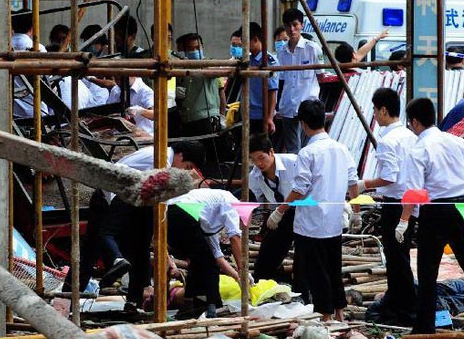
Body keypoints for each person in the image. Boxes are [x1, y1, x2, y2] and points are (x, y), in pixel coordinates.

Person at [267, 99, 360, 322]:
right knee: (333, 268)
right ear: (324, 120)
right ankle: (339, 312)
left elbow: (300, 188)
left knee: (316, 271)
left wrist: (280, 210)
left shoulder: (307, 153)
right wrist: (356, 211)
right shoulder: (341, 148)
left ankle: (326, 316)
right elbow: (353, 182)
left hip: (311, 224)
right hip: (335, 222)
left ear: (303, 124)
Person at [91, 142, 206, 306]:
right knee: (109, 237)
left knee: (139, 250)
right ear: (180, 156)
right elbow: (117, 174)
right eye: (186, 166)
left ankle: (133, 302)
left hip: (138, 200)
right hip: (123, 195)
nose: (183, 171)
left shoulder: (165, 161)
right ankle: (120, 266)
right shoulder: (162, 158)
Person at [398, 98, 464, 334]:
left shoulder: (419, 149)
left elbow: (414, 190)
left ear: (415, 122)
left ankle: (424, 327)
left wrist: (403, 221)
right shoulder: (457, 142)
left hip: (436, 209)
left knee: (428, 269)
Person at [354, 88, 418, 324]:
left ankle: (404, 309)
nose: (374, 115)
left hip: (395, 204)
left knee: (396, 258)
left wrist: (364, 184)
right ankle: (400, 303)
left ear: (383, 110)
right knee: (400, 256)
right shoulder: (410, 136)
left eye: (375, 110)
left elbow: (389, 176)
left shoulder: (388, 140)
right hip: (410, 203)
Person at [167, 188, 244, 319]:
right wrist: (243, 268)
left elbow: (217, 255)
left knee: (198, 261)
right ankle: (213, 307)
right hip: (182, 211)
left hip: (171, 216)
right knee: (210, 266)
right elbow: (235, 237)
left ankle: (188, 305)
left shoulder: (209, 218)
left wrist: (238, 277)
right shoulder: (232, 204)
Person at [248, 134, 307, 299]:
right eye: (254, 160)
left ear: (272, 152)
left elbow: (303, 190)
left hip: (305, 210)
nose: (259, 163)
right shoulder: (254, 176)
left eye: (262, 157)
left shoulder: (293, 162)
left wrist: (280, 211)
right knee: (265, 259)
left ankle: (302, 293)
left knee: (303, 258)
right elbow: (256, 200)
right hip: (280, 214)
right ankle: (266, 286)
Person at [276, 9, 322, 154]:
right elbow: (281, 80)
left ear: (301, 25)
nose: (292, 29)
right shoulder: (282, 52)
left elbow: (321, 77)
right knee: (292, 150)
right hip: (288, 106)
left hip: (308, 106)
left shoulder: (312, 48)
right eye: (288, 26)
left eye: (295, 25)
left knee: (311, 147)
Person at [174, 32, 225, 137]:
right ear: (185, 51)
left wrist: (222, 116)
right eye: (190, 49)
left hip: (207, 118)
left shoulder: (209, 64)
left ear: (202, 47)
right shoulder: (181, 69)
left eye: (197, 48)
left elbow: (221, 92)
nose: (194, 51)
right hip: (187, 120)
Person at [235, 22, 279, 134]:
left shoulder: (268, 61)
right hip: (245, 112)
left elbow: (272, 92)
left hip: (260, 115)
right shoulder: (247, 60)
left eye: (245, 42)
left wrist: (269, 118)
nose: (243, 46)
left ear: (255, 39)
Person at [11, 9, 49, 118]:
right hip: (36, 110)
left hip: (11, 111)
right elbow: (46, 80)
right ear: (33, 27)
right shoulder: (39, 48)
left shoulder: (3, 47)